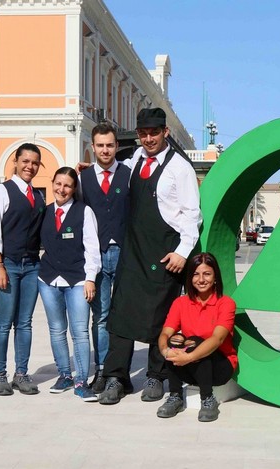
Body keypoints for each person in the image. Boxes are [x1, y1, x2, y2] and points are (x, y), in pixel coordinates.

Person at [99, 107, 202, 405]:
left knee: (162, 319)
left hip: (165, 253)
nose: (148, 138)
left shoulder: (180, 168)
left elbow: (192, 215)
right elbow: (109, 173)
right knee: (120, 317)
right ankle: (117, 378)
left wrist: (183, 253)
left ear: (165, 132)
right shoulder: (132, 161)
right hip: (133, 252)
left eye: (153, 133)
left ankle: (157, 376)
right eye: (143, 133)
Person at [0, 143, 46, 396]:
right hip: (6, 264)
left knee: (25, 323)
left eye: (34, 162)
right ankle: (0, 375)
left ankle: (21, 374)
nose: (30, 166)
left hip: (31, 266)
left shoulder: (39, 196)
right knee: (2, 323)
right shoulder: (1, 191)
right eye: (25, 161)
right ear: (16, 163)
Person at [37, 167, 101, 401]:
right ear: (52, 183)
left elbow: (92, 248)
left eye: (67, 185)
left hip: (77, 280)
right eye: (58, 184)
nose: (61, 189)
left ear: (74, 189)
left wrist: (90, 279)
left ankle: (81, 381)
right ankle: (64, 375)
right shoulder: (44, 212)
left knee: (80, 332)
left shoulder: (84, 212)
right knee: (56, 330)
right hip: (48, 279)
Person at [78, 123, 131, 394]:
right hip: (95, 257)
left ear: (117, 147)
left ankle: (120, 373)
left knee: (122, 316)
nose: (105, 150)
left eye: (110, 145)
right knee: (100, 317)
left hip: (123, 255)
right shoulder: (83, 179)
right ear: (93, 146)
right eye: (100, 145)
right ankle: (101, 370)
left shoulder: (128, 175)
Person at [155, 252, 237, 422]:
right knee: (174, 341)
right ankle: (175, 396)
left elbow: (217, 339)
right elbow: (165, 333)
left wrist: (189, 356)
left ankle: (207, 399)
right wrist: (166, 352)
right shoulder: (180, 303)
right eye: (196, 274)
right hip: (190, 366)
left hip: (219, 367)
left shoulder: (226, 303)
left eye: (207, 274)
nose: (201, 279)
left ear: (215, 277)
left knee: (196, 341)